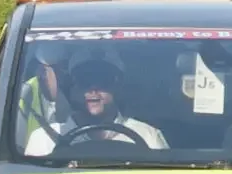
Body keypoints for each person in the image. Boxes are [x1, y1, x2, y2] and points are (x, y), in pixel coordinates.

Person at [24, 57, 168, 152]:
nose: (93, 88)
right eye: (84, 79)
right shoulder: (44, 139)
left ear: (118, 86)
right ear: (72, 86)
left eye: (103, 79)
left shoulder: (148, 136)